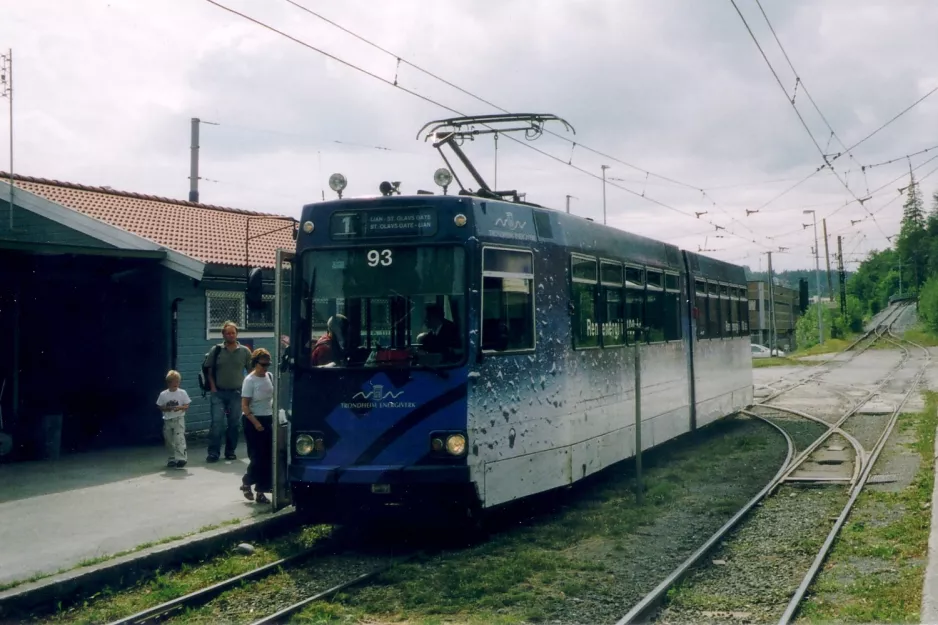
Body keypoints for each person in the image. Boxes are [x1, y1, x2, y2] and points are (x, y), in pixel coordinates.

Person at [204, 321, 252, 463]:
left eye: (233, 332)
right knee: (217, 423)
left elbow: (250, 371)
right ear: (223, 335)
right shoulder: (216, 350)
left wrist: (249, 390)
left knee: (234, 424)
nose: (231, 335)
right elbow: (209, 370)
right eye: (228, 333)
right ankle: (213, 452)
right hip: (218, 393)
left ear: (237, 334)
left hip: (237, 393)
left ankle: (230, 451)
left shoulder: (244, 351)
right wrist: (213, 387)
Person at [240, 348, 274, 504]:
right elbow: (245, 406)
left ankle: (261, 491)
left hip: (268, 417)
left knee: (269, 456)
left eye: (268, 365)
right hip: (252, 420)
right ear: (255, 363)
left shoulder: (269, 376)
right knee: (257, 456)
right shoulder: (250, 380)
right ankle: (247, 482)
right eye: (262, 365)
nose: (265, 368)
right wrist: (256, 423)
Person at [156, 370, 191, 469]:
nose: (175, 384)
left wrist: (180, 408)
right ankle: (172, 458)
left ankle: (181, 458)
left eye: (177, 381)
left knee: (179, 438)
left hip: (178, 418)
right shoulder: (163, 394)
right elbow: (159, 405)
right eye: (173, 382)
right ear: (168, 383)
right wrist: (167, 409)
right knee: (169, 439)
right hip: (168, 419)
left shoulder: (182, 393)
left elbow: (186, 404)